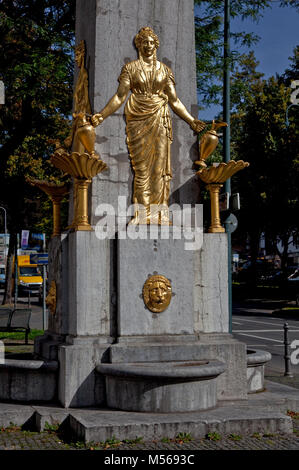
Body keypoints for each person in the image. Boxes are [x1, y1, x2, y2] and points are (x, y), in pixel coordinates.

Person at [92, 26, 205, 224]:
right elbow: (120, 97)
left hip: (160, 118)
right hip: (137, 119)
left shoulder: (164, 70)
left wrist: (191, 120)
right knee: (142, 168)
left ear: (156, 45)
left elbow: (174, 101)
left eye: (152, 42)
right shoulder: (131, 69)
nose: (148, 46)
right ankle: (142, 213)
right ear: (139, 45)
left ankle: (160, 213)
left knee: (160, 168)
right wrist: (101, 116)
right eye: (144, 42)